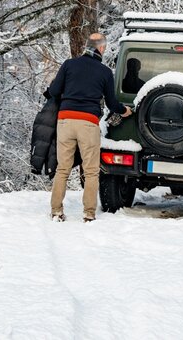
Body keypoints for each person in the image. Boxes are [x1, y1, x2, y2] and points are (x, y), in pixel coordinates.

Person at [46, 33, 132, 222]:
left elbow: (53, 91)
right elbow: (111, 103)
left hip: (66, 121)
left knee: (63, 169)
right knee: (91, 170)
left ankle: (56, 211)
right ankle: (88, 214)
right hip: (88, 122)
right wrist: (124, 110)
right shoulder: (104, 72)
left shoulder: (69, 65)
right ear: (101, 48)